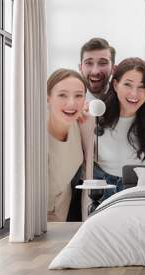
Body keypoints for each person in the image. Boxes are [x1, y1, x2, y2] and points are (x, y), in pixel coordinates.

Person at [83, 58, 145, 199]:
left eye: (142, 87)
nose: (134, 93)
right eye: (128, 84)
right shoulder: (96, 114)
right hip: (103, 185)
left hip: (139, 186)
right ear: (115, 85)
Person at [47, 68, 86, 221]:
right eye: (62, 95)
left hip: (62, 213)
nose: (71, 103)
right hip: (34, 218)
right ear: (48, 97)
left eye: (78, 96)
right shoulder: (33, 136)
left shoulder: (79, 124)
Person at [79, 37, 116, 101]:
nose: (95, 72)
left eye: (102, 63)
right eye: (89, 63)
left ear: (113, 68)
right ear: (80, 68)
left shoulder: (123, 99)